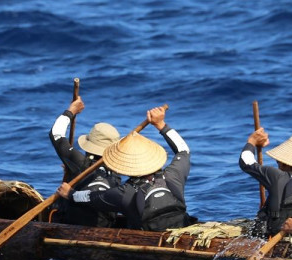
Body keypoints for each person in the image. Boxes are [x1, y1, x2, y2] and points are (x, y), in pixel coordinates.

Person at [57, 106, 193, 231]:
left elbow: (90, 197)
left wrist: (70, 194)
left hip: (151, 239)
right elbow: (184, 150)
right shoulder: (174, 175)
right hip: (183, 230)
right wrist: (161, 125)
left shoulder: (124, 193)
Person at [48, 96, 121, 227]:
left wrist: (70, 111)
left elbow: (55, 133)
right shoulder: (118, 170)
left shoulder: (80, 163)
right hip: (106, 228)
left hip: (74, 227)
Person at [238, 129, 292, 236]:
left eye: (278, 162)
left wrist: (252, 141)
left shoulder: (278, 176)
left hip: (276, 237)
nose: (277, 165)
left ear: (285, 163)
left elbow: (246, 162)